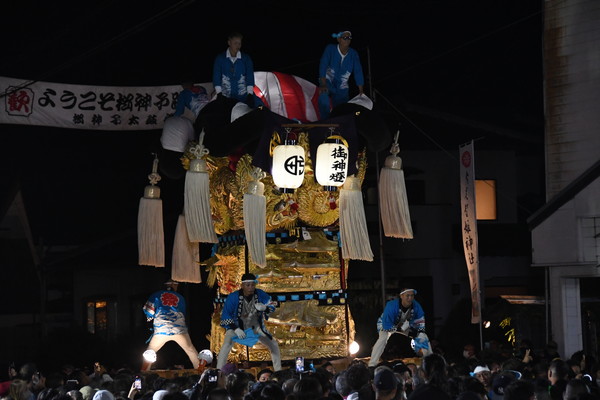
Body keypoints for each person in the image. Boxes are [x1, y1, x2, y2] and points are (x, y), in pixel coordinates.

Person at [216, 273, 281, 371]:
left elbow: (273, 304)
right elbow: (226, 315)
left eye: (253, 285)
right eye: (248, 285)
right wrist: (236, 329)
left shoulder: (260, 294)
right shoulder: (233, 297)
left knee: (274, 345)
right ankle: (219, 371)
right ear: (242, 285)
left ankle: (278, 371)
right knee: (226, 345)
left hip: (256, 328)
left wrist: (265, 308)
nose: (251, 287)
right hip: (237, 327)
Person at [142, 280, 200, 370]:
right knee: (190, 350)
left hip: (161, 330)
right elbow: (183, 314)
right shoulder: (181, 297)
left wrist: (150, 318)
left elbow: (148, 311)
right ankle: (201, 371)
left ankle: (144, 373)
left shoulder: (156, 295)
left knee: (150, 351)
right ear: (174, 285)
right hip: (179, 330)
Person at [369, 286, 429, 367]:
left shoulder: (416, 306)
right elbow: (386, 325)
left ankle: (428, 360)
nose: (410, 298)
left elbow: (420, 322)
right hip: (385, 325)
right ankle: (372, 364)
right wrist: (401, 330)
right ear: (401, 296)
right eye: (407, 295)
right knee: (383, 337)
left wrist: (418, 333)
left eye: (412, 295)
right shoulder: (391, 306)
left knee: (422, 336)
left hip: (403, 325)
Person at [318, 30, 364, 119]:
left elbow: (358, 71)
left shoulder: (353, 54)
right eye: (345, 37)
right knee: (323, 95)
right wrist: (323, 83)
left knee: (342, 110)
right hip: (328, 80)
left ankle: (339, 123)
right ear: (339, 39)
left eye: (349, 38)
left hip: (342, 86)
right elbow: (323, 64)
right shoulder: (330, 49)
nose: (347, 39)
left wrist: (361, 91)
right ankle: (325, 120)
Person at [212, 31, 255, 106]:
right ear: (229, 43)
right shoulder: (220, 58)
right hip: (225, 97)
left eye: (239, 43)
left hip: (243, 96)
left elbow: (250, 76)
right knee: (212, 109)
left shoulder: (246, 58)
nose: (238, 46)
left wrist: (250, 94)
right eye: (235, 43)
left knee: (260, 107)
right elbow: (216, 76)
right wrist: (219, 94)